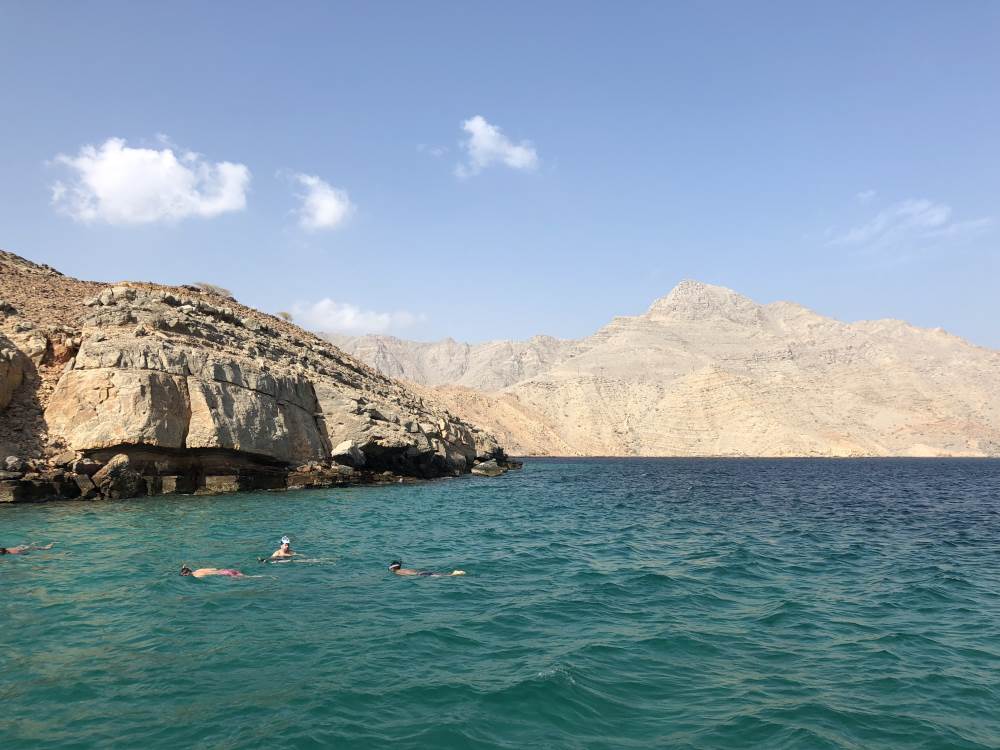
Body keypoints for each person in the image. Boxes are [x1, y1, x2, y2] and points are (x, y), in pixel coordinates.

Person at [388, 560, 465, 577]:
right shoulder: (403, 569)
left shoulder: (397, 572)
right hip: (422, 572)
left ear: (393, 568)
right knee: (440, 574)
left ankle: (454, 574)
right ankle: (454, 573)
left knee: (444, 576)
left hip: (421, 574)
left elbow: (408, 576)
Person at [179, 566, 246, 578]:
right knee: (245, 576)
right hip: (226, 570)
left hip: (225, 574)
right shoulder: (199, 570)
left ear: (187, 573)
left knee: (247, 578)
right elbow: (214, 568)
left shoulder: (197, 575)